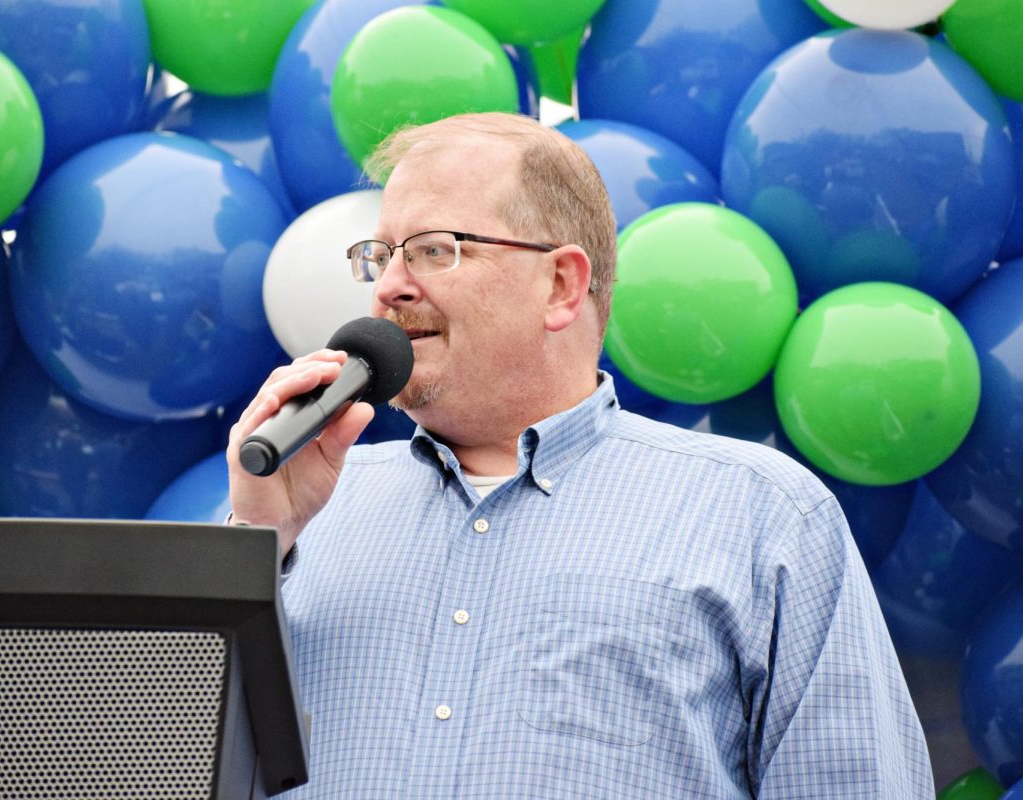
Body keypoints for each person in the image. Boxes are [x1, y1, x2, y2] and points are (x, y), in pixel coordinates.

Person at [226, 112, 933, 798]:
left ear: (561, 284)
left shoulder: (765, 515)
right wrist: (256, 546)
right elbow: (149, 761)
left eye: (434, 249)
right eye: (381, 256)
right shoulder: (300, 507)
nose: (389, 287)